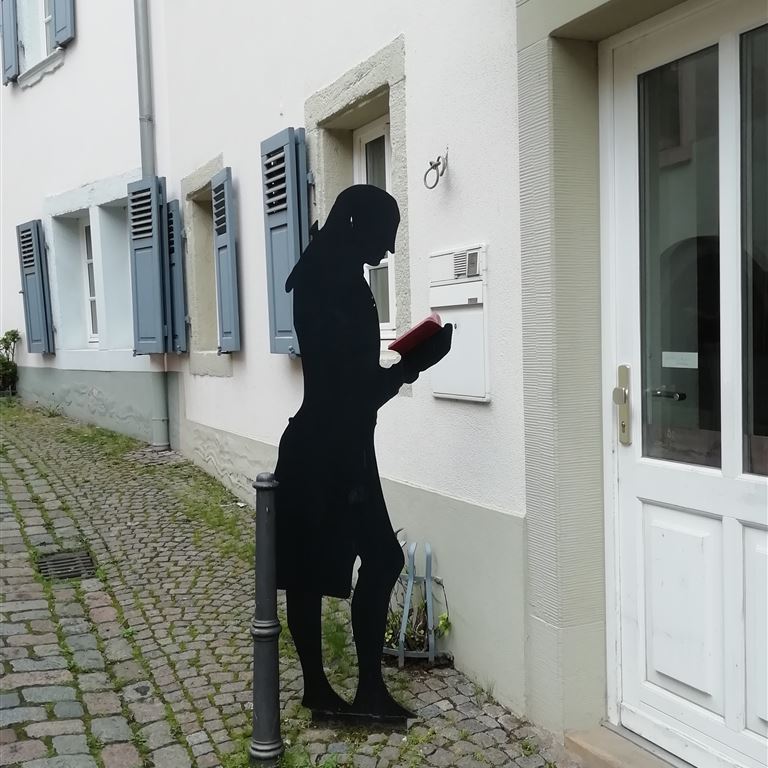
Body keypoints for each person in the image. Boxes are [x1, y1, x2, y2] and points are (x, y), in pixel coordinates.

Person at [274, 184, 452, 721]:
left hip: (339, 443)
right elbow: (348, 391)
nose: (390, 248)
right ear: (355, 227)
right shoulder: (329, 282)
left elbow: (351, 383)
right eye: (385, 234)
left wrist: (406, 365)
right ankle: (335, 690)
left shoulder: (336, 277)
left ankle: (354, 691)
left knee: (337, 567)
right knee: (335, 567)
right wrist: (413, 365)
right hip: (325, 450)